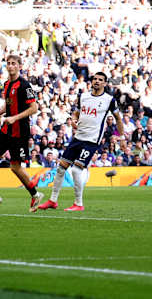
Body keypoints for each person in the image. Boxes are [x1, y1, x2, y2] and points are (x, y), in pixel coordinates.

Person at [38, 72, 124, 212]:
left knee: (77, 169)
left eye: (100, 80)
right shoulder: (83, 96)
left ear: (105, 83)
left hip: (92, 140)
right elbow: (76, 113)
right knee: (61, 168)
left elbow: (118, 119)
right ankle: (53, 200)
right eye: (95, 79)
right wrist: (73, 120)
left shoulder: (109, 100)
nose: (96, 81)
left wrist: (122, 137)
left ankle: (78, 203)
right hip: (78, 137)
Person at [0, 55, 43, 213]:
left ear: (19, 66)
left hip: (19, 130)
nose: (10, 66)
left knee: (15, 167)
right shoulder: (7, 84)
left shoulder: (24, 85)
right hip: (6, 128)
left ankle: (35, 195)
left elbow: (34, 108)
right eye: (8, 63)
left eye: (13, 63)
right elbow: (9, 105)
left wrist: (14, 118)